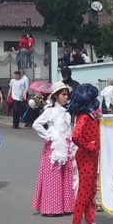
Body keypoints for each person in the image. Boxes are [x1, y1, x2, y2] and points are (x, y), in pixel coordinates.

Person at [68, 84, 109, 224]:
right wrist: (89, 146)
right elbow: (75, 135)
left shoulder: (91, 116)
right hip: (85, 157)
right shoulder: (84, 117)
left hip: (91, 157)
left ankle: (90, 223)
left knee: (91, 191)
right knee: (84, 192)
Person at [31, 82, 76, 216]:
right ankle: (51, 207)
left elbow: (69, 128)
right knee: (53, 177)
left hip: (66, 145)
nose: (66, 97)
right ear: (56, 96)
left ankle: (67, 206)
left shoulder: (66, 112)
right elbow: (36, 124)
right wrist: (49, 136)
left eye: (67, 94)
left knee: (66, 175)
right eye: (63, 94)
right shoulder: (50, 111)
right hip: (54, 148)